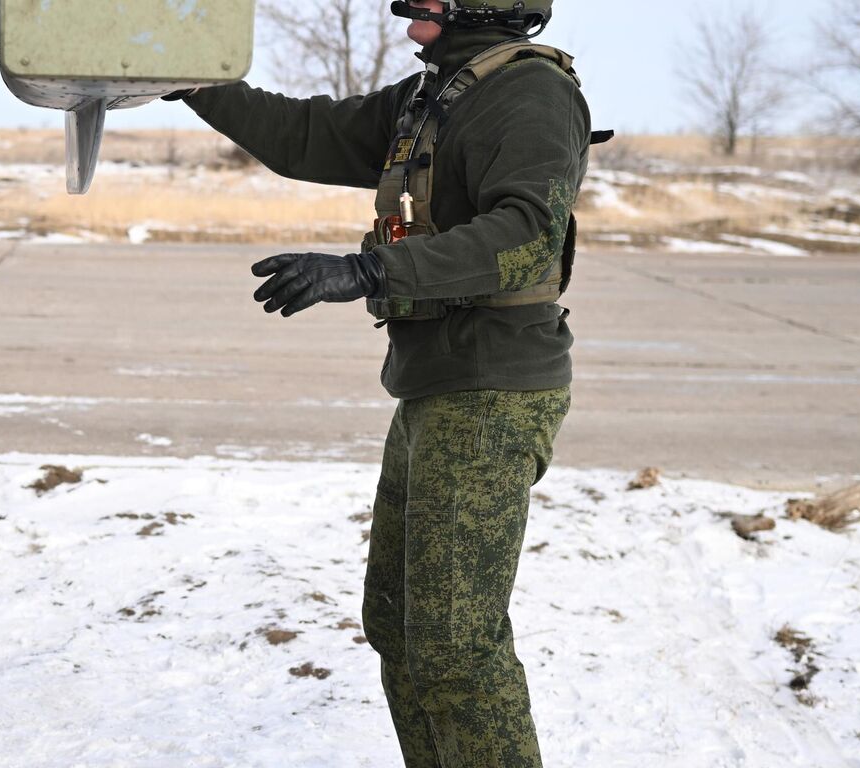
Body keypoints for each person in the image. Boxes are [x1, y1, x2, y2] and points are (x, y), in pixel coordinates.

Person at [173, 1, 597, 765]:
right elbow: (305, 135)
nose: (407, 11)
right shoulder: (435, 92)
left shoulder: (530, 93)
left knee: (456, 650)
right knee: (400, 624)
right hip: (436, 386)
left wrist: (367, 270)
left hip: (492, 390)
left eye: (428, 0)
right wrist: (189, 81)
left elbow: (528, 236)